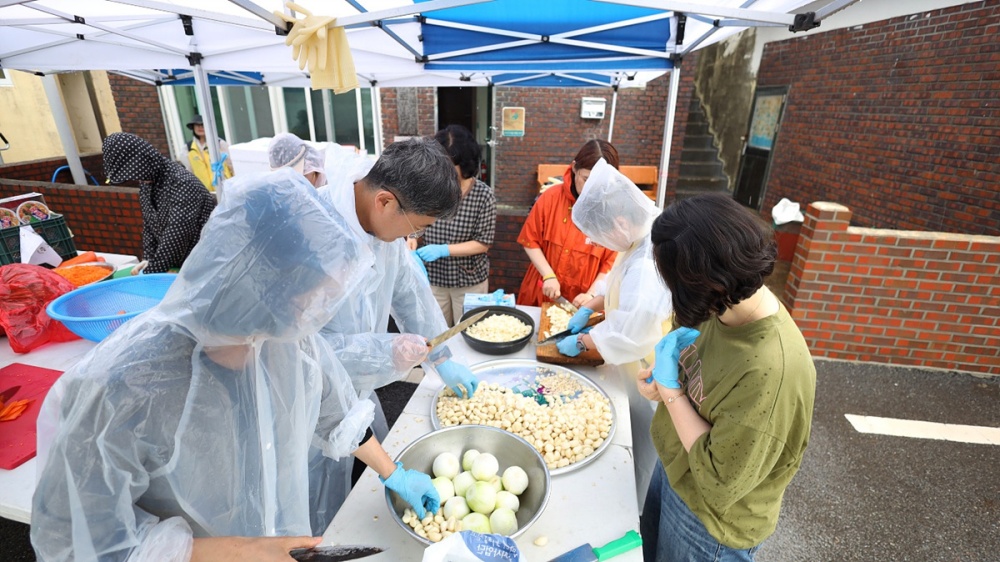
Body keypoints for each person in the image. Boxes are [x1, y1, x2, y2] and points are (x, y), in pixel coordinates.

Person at [30, 169, 440, 562]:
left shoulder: (286, 343)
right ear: (258, 284)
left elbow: (334, 413)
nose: (316, 314)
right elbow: (77, 542)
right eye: (311, 298)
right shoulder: (121, 383)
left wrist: (393, 473)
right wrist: (244, 552)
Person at [308, 138, 481, 529]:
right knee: (316, 517)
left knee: (360, 497)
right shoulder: (313, 236)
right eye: (416, 227)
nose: (410, 238)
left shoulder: (382, 227)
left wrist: (441, 356)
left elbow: (409, 292)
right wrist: (385, 353)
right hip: (304, 408)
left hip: (356, 394)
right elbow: (303, 357)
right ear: (385, 201)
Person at [638, 193, 816, 561]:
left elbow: (720, 483)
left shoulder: (772, 370)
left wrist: (672, 394)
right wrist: (664, 382)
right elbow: (697, 377)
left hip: (711, 522)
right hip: (674, 468)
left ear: (706, 284)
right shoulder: (718, 303)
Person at [552, 158, 673, 508]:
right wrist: (593, 305)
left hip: (651, 372)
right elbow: (620, 280)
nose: (604, 244)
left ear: (620, 221)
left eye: (604, 236)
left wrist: (583, 341)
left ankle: (629, 522)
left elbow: (632, 330)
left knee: (636, 461)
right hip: (631, 366)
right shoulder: (641, 234)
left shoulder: (652, 258)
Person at [516, 139, 619, 307]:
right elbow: (530, 240)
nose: (591, 188)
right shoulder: (550, 197)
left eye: (600, 183)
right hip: (543, 290)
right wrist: (548, 275)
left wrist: (592, 294)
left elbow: (612, 262)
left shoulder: (612, 211)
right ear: (574, 168)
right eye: (586, 179)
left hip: (585, 300)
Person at [411, 124, 497, 326]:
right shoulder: (429, 188)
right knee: (437, 331)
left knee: (469, 331)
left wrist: (444, 250)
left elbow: (483, 243)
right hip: (433, 278)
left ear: (465, 164)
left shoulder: (483, 195)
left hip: (469, 281)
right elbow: (413, 220)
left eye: (449, 165)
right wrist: (412, 238)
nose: (442, 170)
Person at [103, 132, 216, 275]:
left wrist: (152, 271)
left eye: (136, 174)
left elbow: (178, 232)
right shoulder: (147, 183)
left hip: (205, 262)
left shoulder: (182, 183)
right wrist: (148, 258)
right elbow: (149, 225)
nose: (138, 180)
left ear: (144, 162)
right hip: (177, 263)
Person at [186, 115, 233, 191]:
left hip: (225, 188)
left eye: (203, 125)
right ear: (193, 127)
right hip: (205, 193)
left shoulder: (219, 143)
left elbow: (231, 165)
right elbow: (189, 172)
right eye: (197, 125)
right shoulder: (187, 148)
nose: (200, 128)